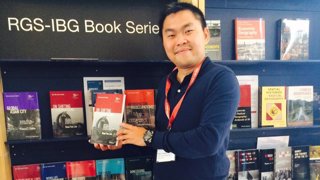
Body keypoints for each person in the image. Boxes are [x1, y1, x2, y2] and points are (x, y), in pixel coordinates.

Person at [93, 2, 240, 179]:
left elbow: (208, 141)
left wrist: (147, 137)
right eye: (171, 35)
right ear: (164, 43)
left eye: (188, 31)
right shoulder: (166, 82)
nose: (180, 40)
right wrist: (122, 139)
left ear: (206, 34)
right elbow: (162, 137)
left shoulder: (221, 78)